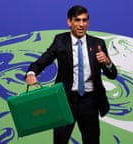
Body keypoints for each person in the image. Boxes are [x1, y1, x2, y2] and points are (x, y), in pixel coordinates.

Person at [25, 5, 117, 144]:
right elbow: (42, 61)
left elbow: (112, 75)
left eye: (84, 20)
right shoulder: (60, 41)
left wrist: (107, 62)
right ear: (69, 22)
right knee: (60, 141)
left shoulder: (98, 43)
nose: (81, 24)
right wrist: (31, 73)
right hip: (65, 101)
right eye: (77, 20)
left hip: (90, 102)